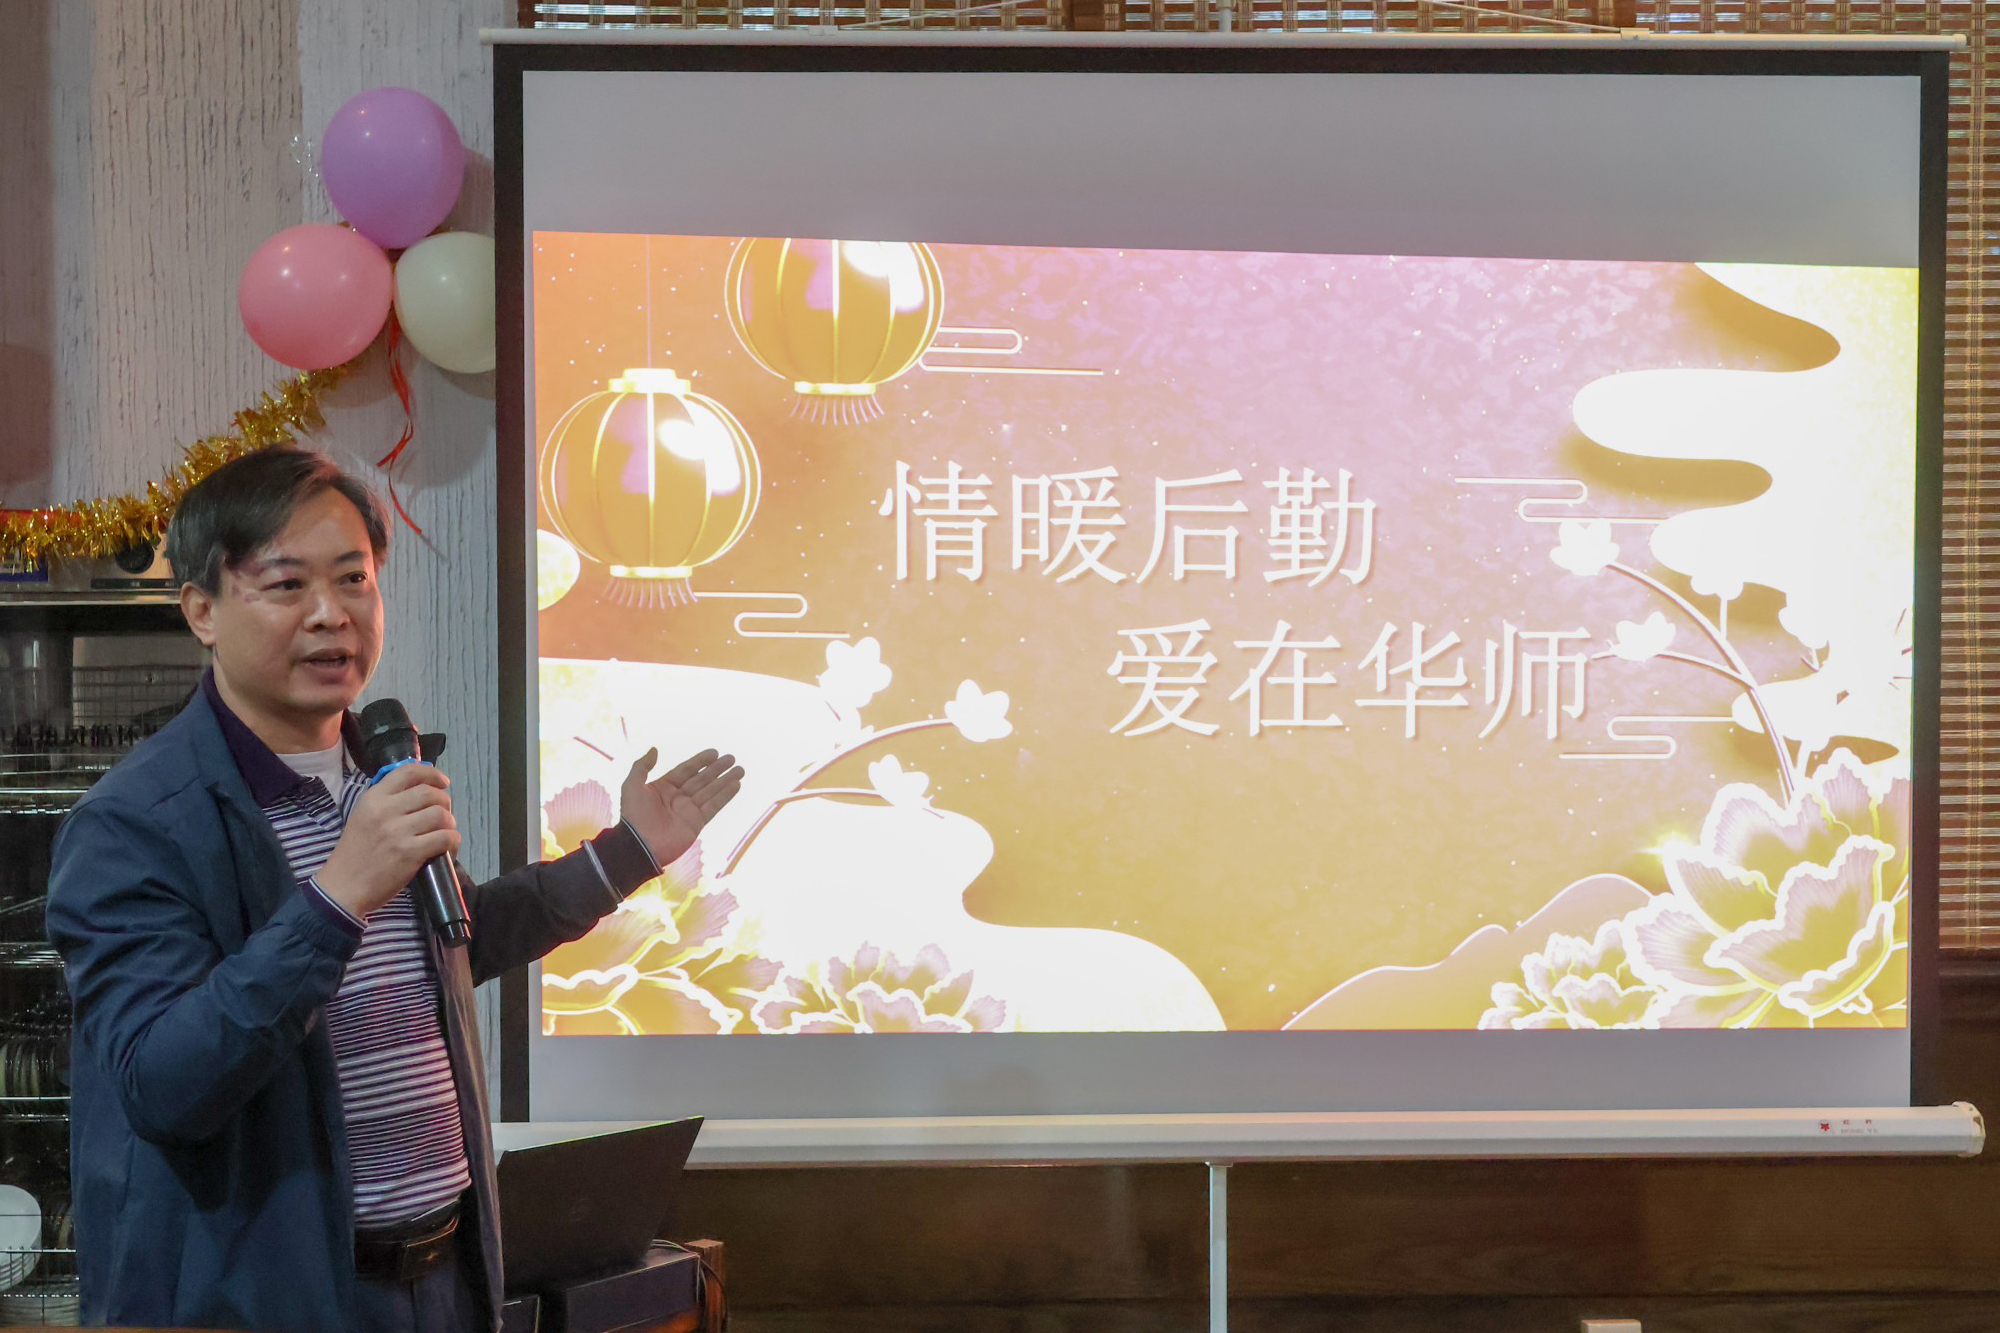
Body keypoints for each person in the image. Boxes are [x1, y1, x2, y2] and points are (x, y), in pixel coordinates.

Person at [45, 448, 742, 1333]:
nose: (330, 613)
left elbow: (455, 942)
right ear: (202, 611)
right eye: (288, 584)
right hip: (268, 1299)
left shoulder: (376, 770)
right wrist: (337, 897)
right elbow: (164, 1082)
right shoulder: (130, 823)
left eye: (354, 578)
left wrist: (628, 851)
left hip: (444, 1278)